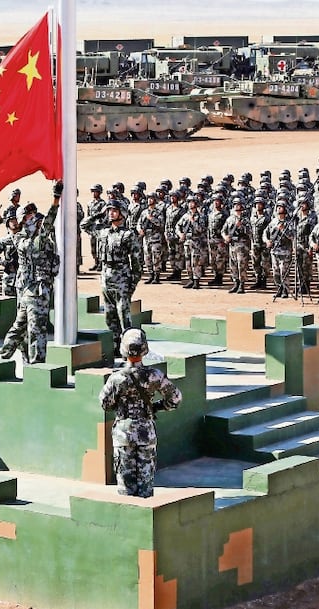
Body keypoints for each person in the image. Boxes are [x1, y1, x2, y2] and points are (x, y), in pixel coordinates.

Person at [99, 328, 182, 498]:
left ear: (123, 350)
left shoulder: (116, 378)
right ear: (144, 350)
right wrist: (155, 407)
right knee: (146, 489)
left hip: (123, 434)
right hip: (146, 433)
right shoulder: (155, 376)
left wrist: (120, 405)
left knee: (125, 491)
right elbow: (175, 399)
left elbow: (105, 404)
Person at [0, 182, 62, 364]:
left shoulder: (40, 237)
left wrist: (55, 201)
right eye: (27, 216)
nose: (32, 218)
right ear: (21, 222)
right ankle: (27, 360)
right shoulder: (23, 239)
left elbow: (48, 227)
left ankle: (20, 357)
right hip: (30, 290)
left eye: (33, 214)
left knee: (29, 327)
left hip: (37, 290)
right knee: (28, 328)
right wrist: (56, 200)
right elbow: (48, 224)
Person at [81, 197, 144, 356]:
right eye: (109, 210)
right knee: (110, 316)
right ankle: (116, 347)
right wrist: (98, 214)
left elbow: (136, 262)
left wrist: (133, 283)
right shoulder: (103, 231)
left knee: (124, 316)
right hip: (106, 277)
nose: (110, 213)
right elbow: (84, 225)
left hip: (122, 277)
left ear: (122, 213)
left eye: (114, 210)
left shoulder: (128, 235)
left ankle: (130, 348)